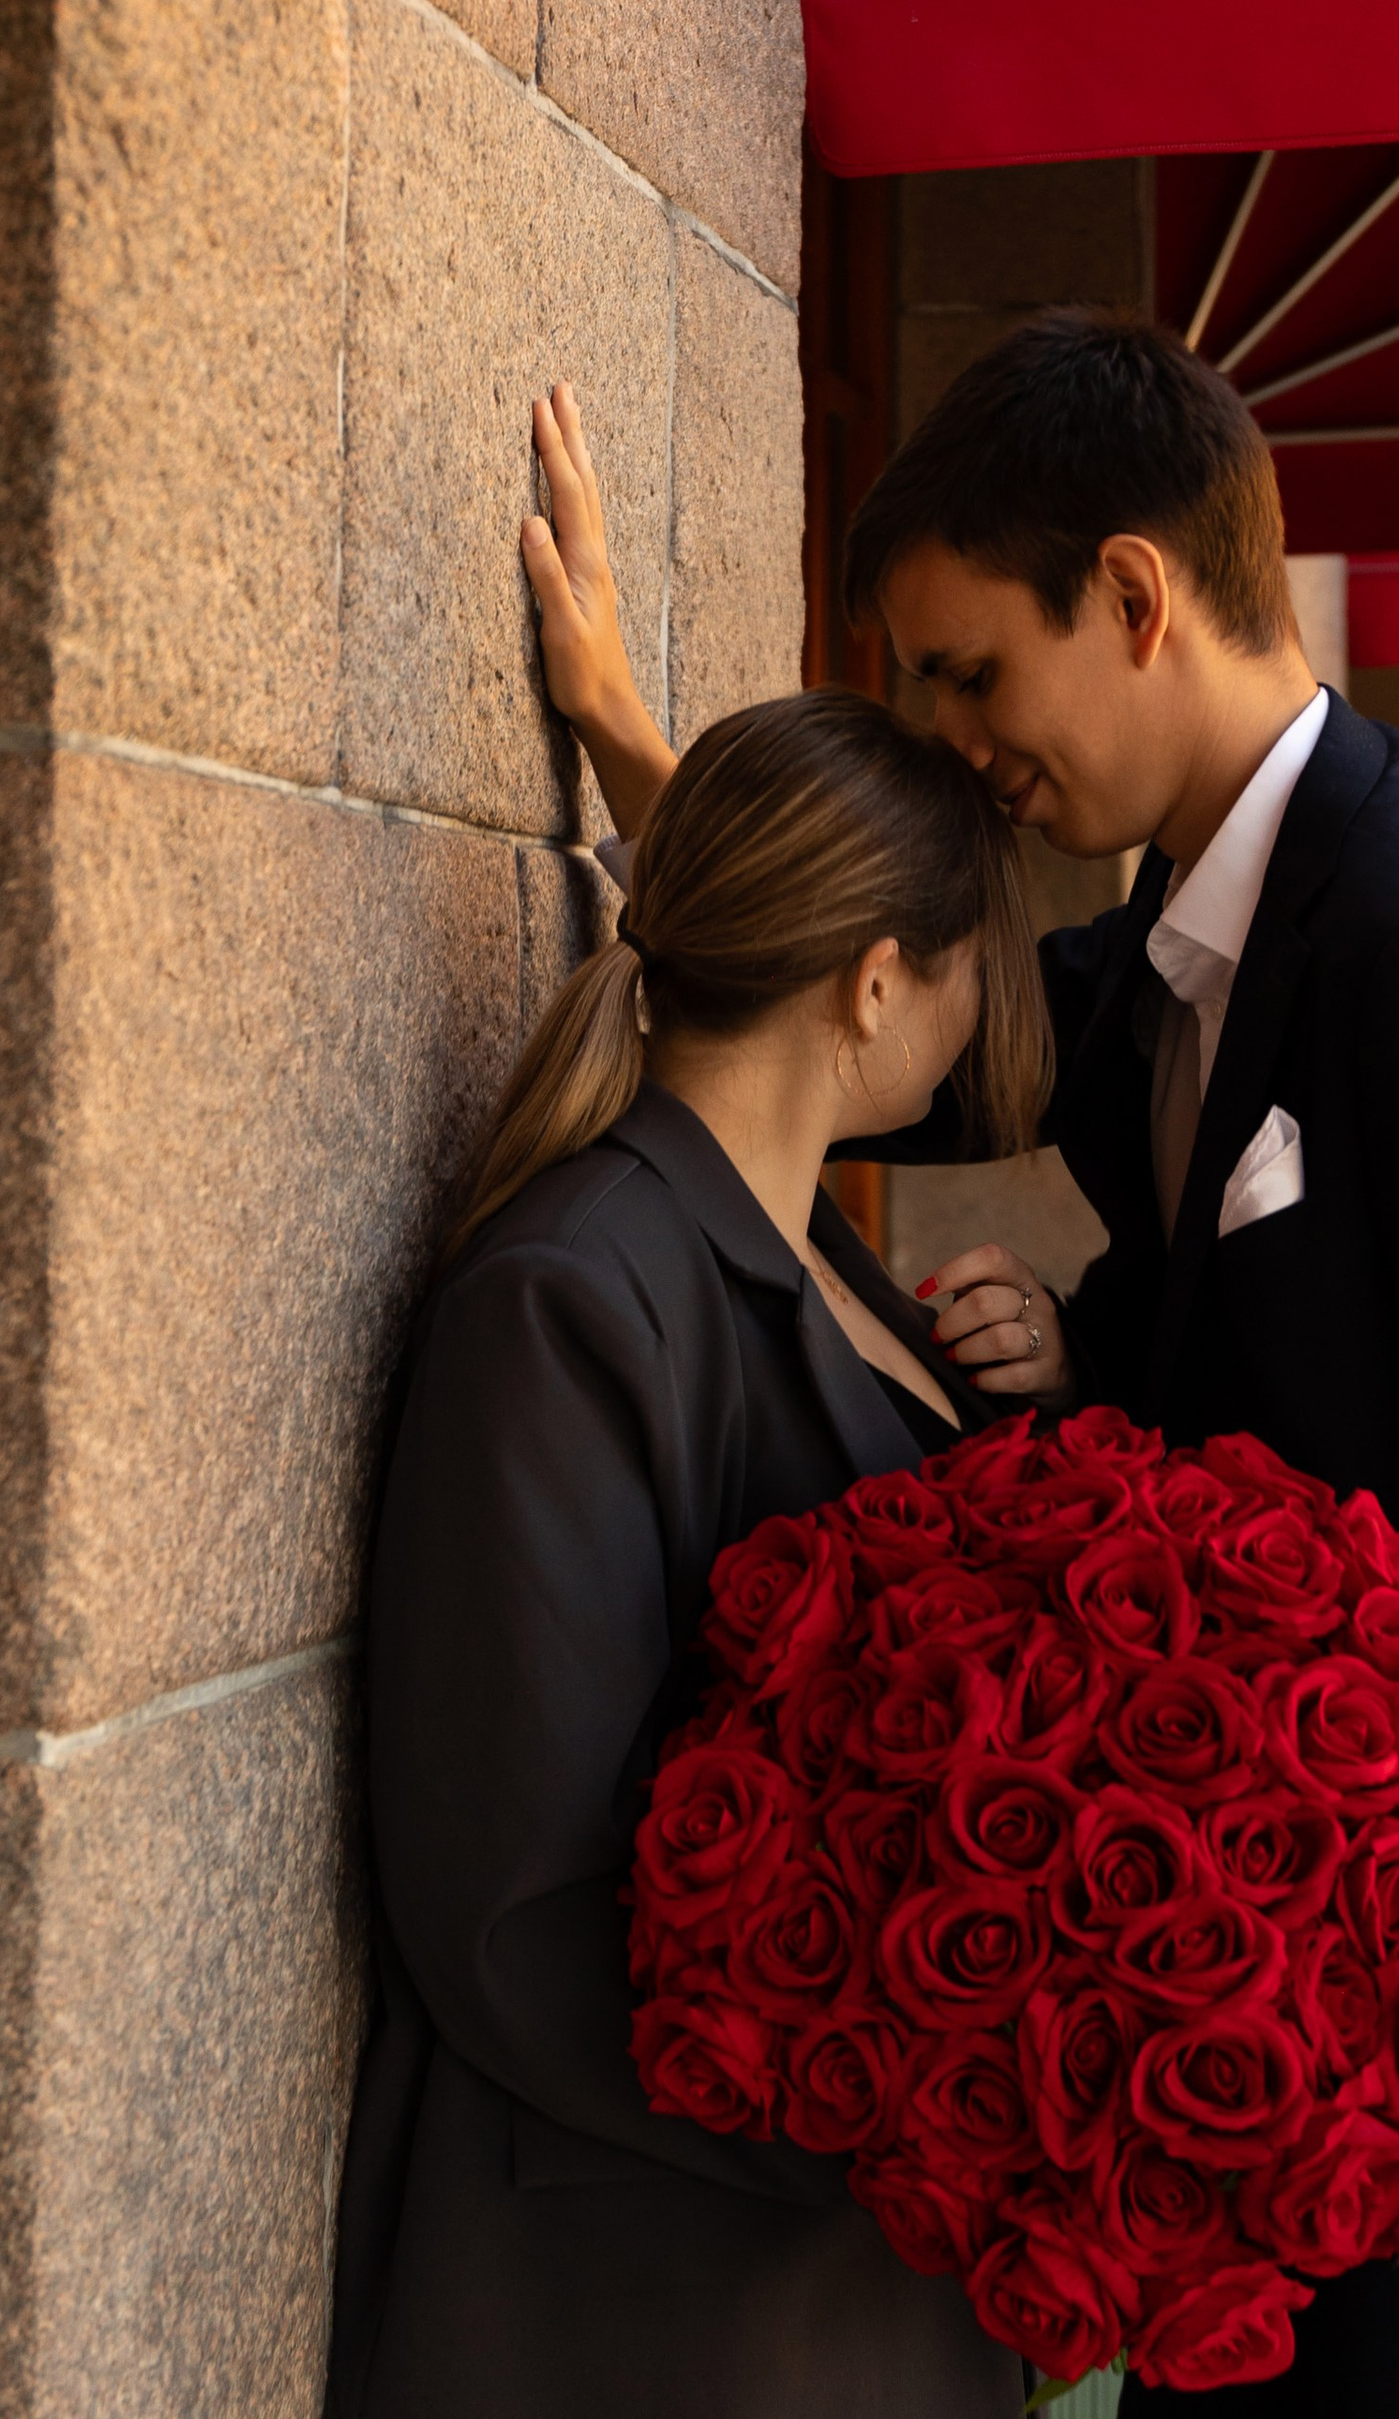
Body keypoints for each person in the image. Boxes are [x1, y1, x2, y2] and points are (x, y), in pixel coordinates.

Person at [524, 322, 1399, 2418]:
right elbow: (876, 1030)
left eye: (960, 674)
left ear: (1128, 594)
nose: (942, 745)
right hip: (1295, 2072)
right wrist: (638, 757)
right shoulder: (1177, 947)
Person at [326, 689, 1049, 2419]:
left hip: (832, 2284)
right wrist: (914, 2112)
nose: (984, 1018)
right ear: (876, 982)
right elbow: (513, 1916)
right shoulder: (573, 1294)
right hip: (655, 2310)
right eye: (971, 969)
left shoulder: (822, 1257)